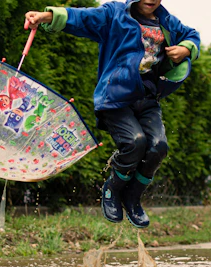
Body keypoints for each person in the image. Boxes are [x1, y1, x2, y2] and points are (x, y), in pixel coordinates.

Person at [25, 0, 200, 228]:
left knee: (158, 147)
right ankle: (113, 188)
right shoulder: (114, 14)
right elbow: (81, 17)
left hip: (147, 98)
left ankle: (133, 197)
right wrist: (45, 16)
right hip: (115, 98)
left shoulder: (166, 21)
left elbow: (192, 35)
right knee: (136, 143)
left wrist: (186, 48)